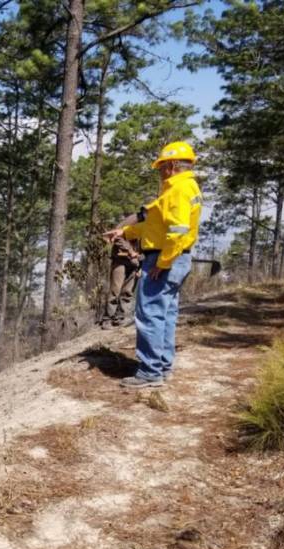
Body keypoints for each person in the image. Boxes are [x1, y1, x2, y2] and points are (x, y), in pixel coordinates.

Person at [102, 141, 202, 388]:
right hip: (175, 256)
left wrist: (163, 262)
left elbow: (177, 232)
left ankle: (150, 372)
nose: (159, 172)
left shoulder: (177, 190)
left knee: (150, 315)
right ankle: (162, 366)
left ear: (169, 166)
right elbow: (154, 226)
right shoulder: (183, 188)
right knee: (165, 314)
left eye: (160, 167)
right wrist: (125, 232)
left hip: (165, 257)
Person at [99, 236, 141, 329]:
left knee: (128, 292)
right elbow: (117, 239)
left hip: (135, 265)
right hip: (120, 262)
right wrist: (131, 252)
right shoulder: (127, 223)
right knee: (115, 290)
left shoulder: (148, 227)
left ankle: (121, 318)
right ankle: (107, 319)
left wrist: (140, 267)